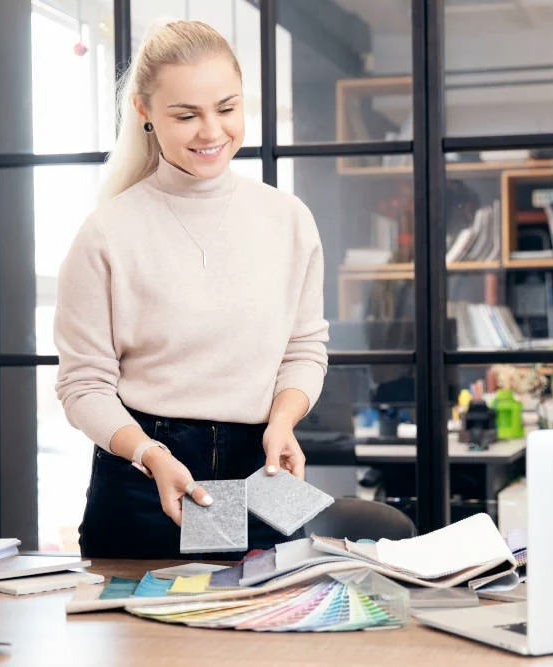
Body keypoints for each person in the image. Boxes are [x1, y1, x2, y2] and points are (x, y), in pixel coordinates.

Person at [54, 20, 329, 559]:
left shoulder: (288, 220)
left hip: (261, 470)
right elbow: (83, 384)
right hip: (146, 476)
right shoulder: (108, 233)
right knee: (143, 635)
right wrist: (151, 454)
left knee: (265, 629)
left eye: (226, 109)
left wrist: (283, 421)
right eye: (186, 115)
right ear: (145, 113)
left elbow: (303, 348)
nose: (211, 132)